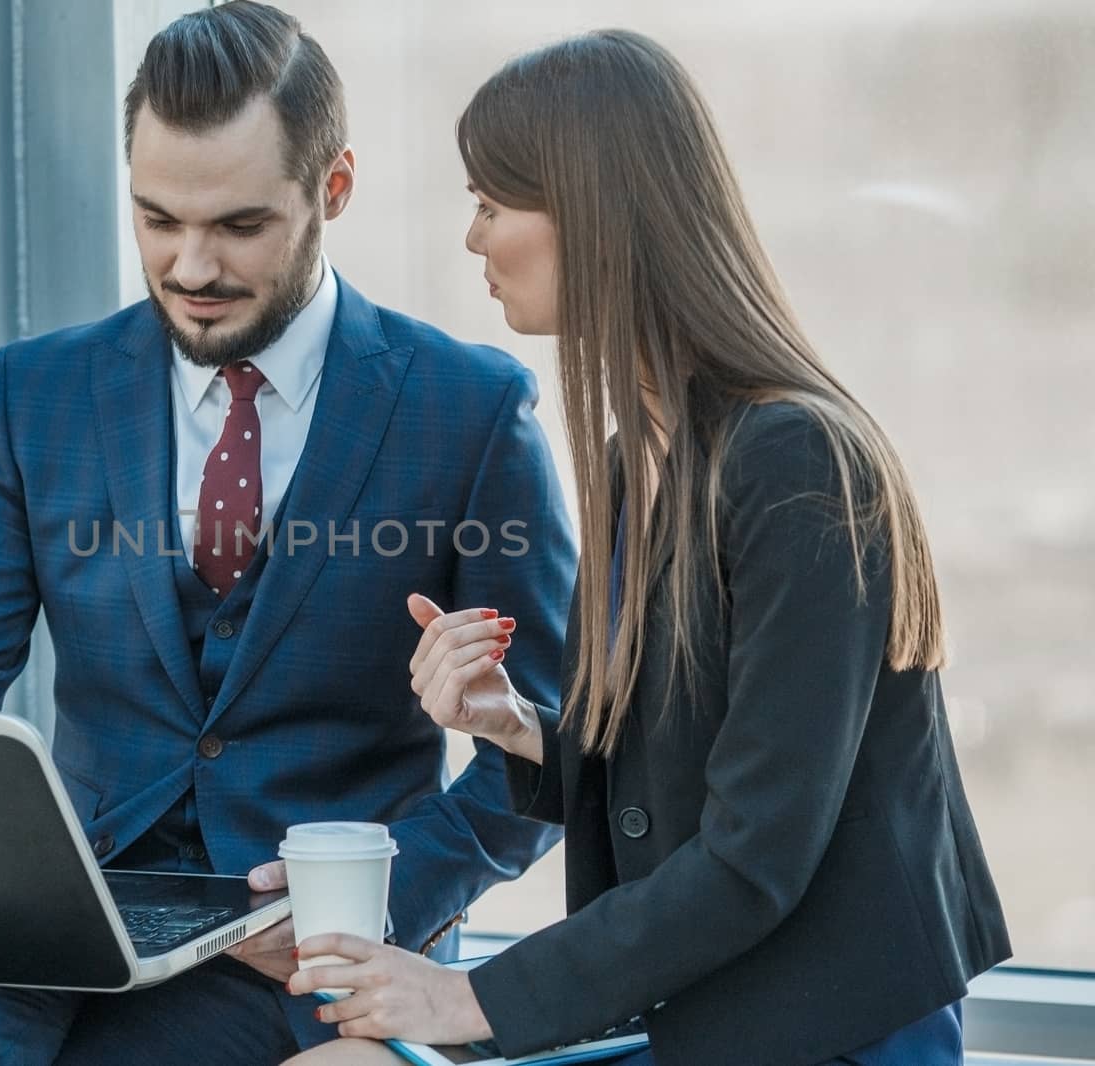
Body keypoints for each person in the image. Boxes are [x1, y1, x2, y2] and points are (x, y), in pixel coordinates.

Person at [0, 3, 579, 1063]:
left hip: (311, 953)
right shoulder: (34, 394)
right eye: (158, 219)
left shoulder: (468, 411)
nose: (190, 267)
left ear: (331, 189)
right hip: (59, 917)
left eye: (238, 227)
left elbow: (545, 751)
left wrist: (375, 900)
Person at [284, 29, 1011, 1066]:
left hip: (822, 1037)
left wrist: (467, 999)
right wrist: (521, 727)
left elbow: (752, 856)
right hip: (704, 1016)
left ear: (592, 215)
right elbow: (682, 769)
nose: (472, 238)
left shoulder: (801, 464)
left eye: (492, 202)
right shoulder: (643, 460)